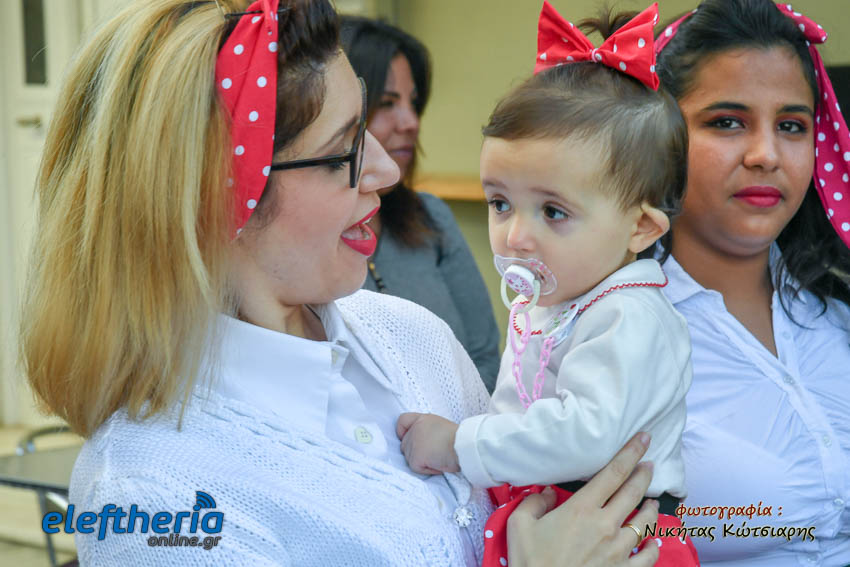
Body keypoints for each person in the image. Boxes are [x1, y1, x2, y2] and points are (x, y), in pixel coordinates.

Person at [19, 0, 660, 564]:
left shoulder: (413, 337)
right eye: (346, 148)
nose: (385, 171)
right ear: (217, 195)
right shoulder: (149, 497)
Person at [396, 3, 699, 565]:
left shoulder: (629, 316)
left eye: (553, 212)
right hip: (552, 513)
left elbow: (585, 434)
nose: (515, 236)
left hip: (619, 535)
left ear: (640, 227)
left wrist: (460, 444)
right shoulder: (561, 300)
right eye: (499, 203)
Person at [653, 0, 850, 565]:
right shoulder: (610, 331)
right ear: (657, 138)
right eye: (727, 122)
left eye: (791, 126)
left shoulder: (836, 316)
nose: (766, 155)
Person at [340, 16, 502, 391]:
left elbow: (485, 358)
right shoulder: (303, 241)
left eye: (413, 103)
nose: (411, 121)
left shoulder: (431, 217)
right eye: (387, 102)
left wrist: (453, 425)